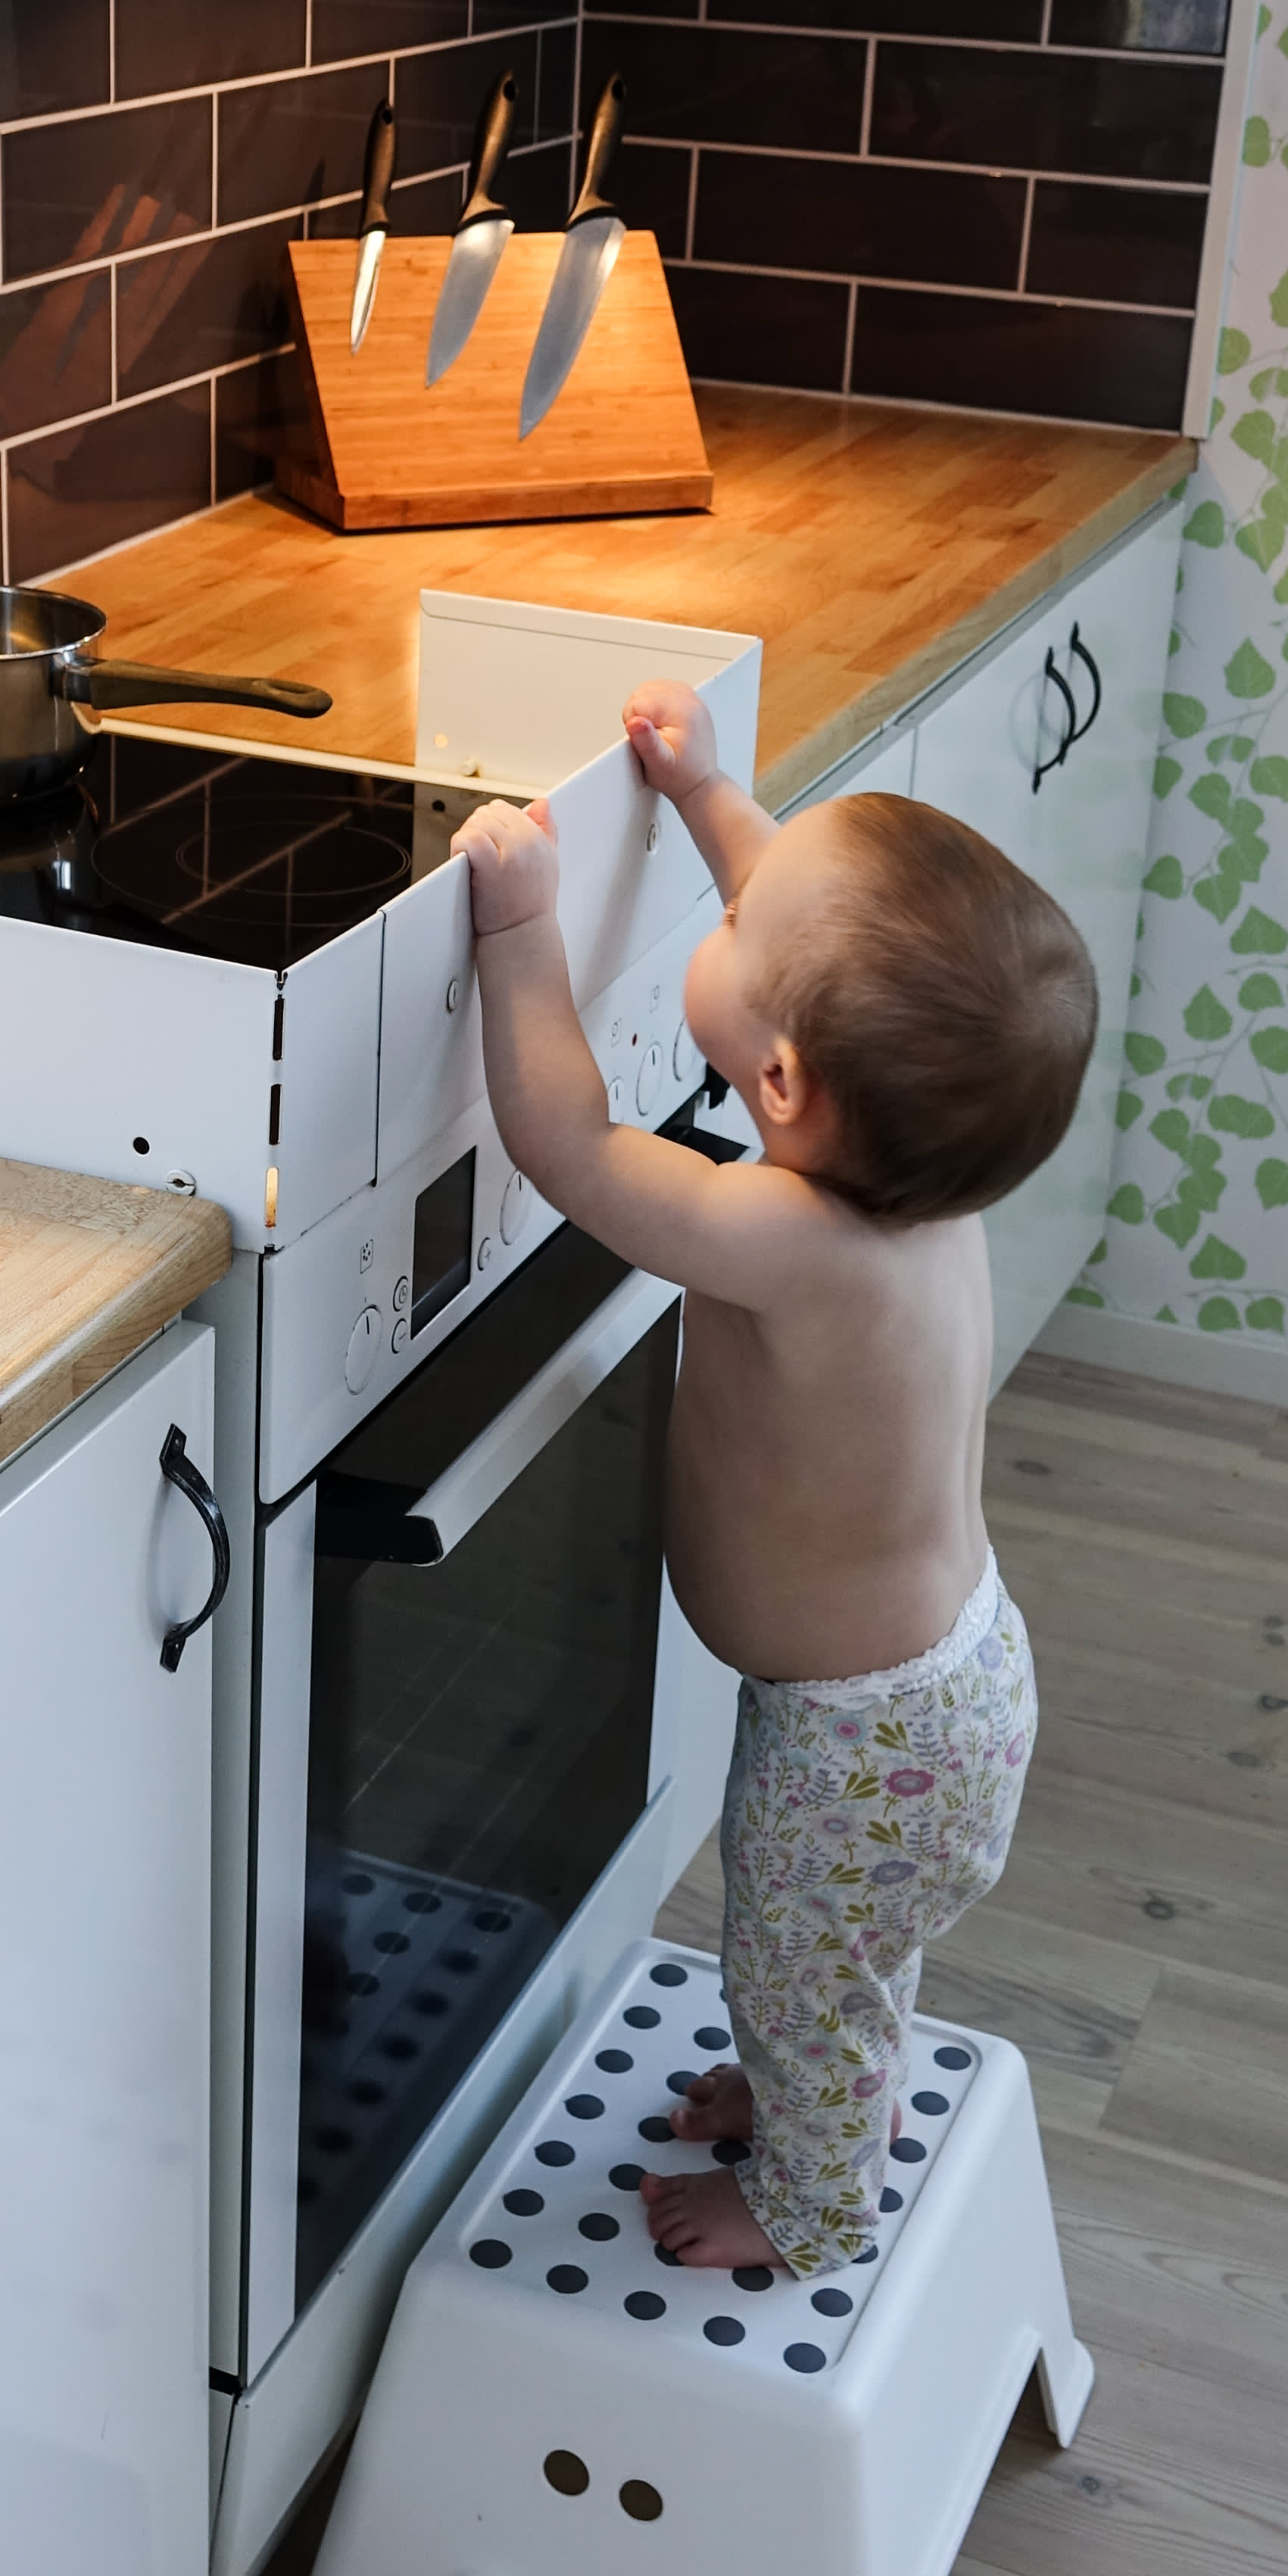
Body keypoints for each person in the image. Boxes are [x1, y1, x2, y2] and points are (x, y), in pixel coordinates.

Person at [452, 679, 1093, 2277]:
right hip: (941, 1692)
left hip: (863, 1736)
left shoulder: (790, 1244)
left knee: (804, 1957)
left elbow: (573, 1151)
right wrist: (699, 789)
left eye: (742, 920)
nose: (736, 896)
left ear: (784, 1082)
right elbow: (792, 905)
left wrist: (518, 932)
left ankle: (806, 2206)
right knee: (839, 1954)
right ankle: (818, 2083)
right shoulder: (920, 1174)